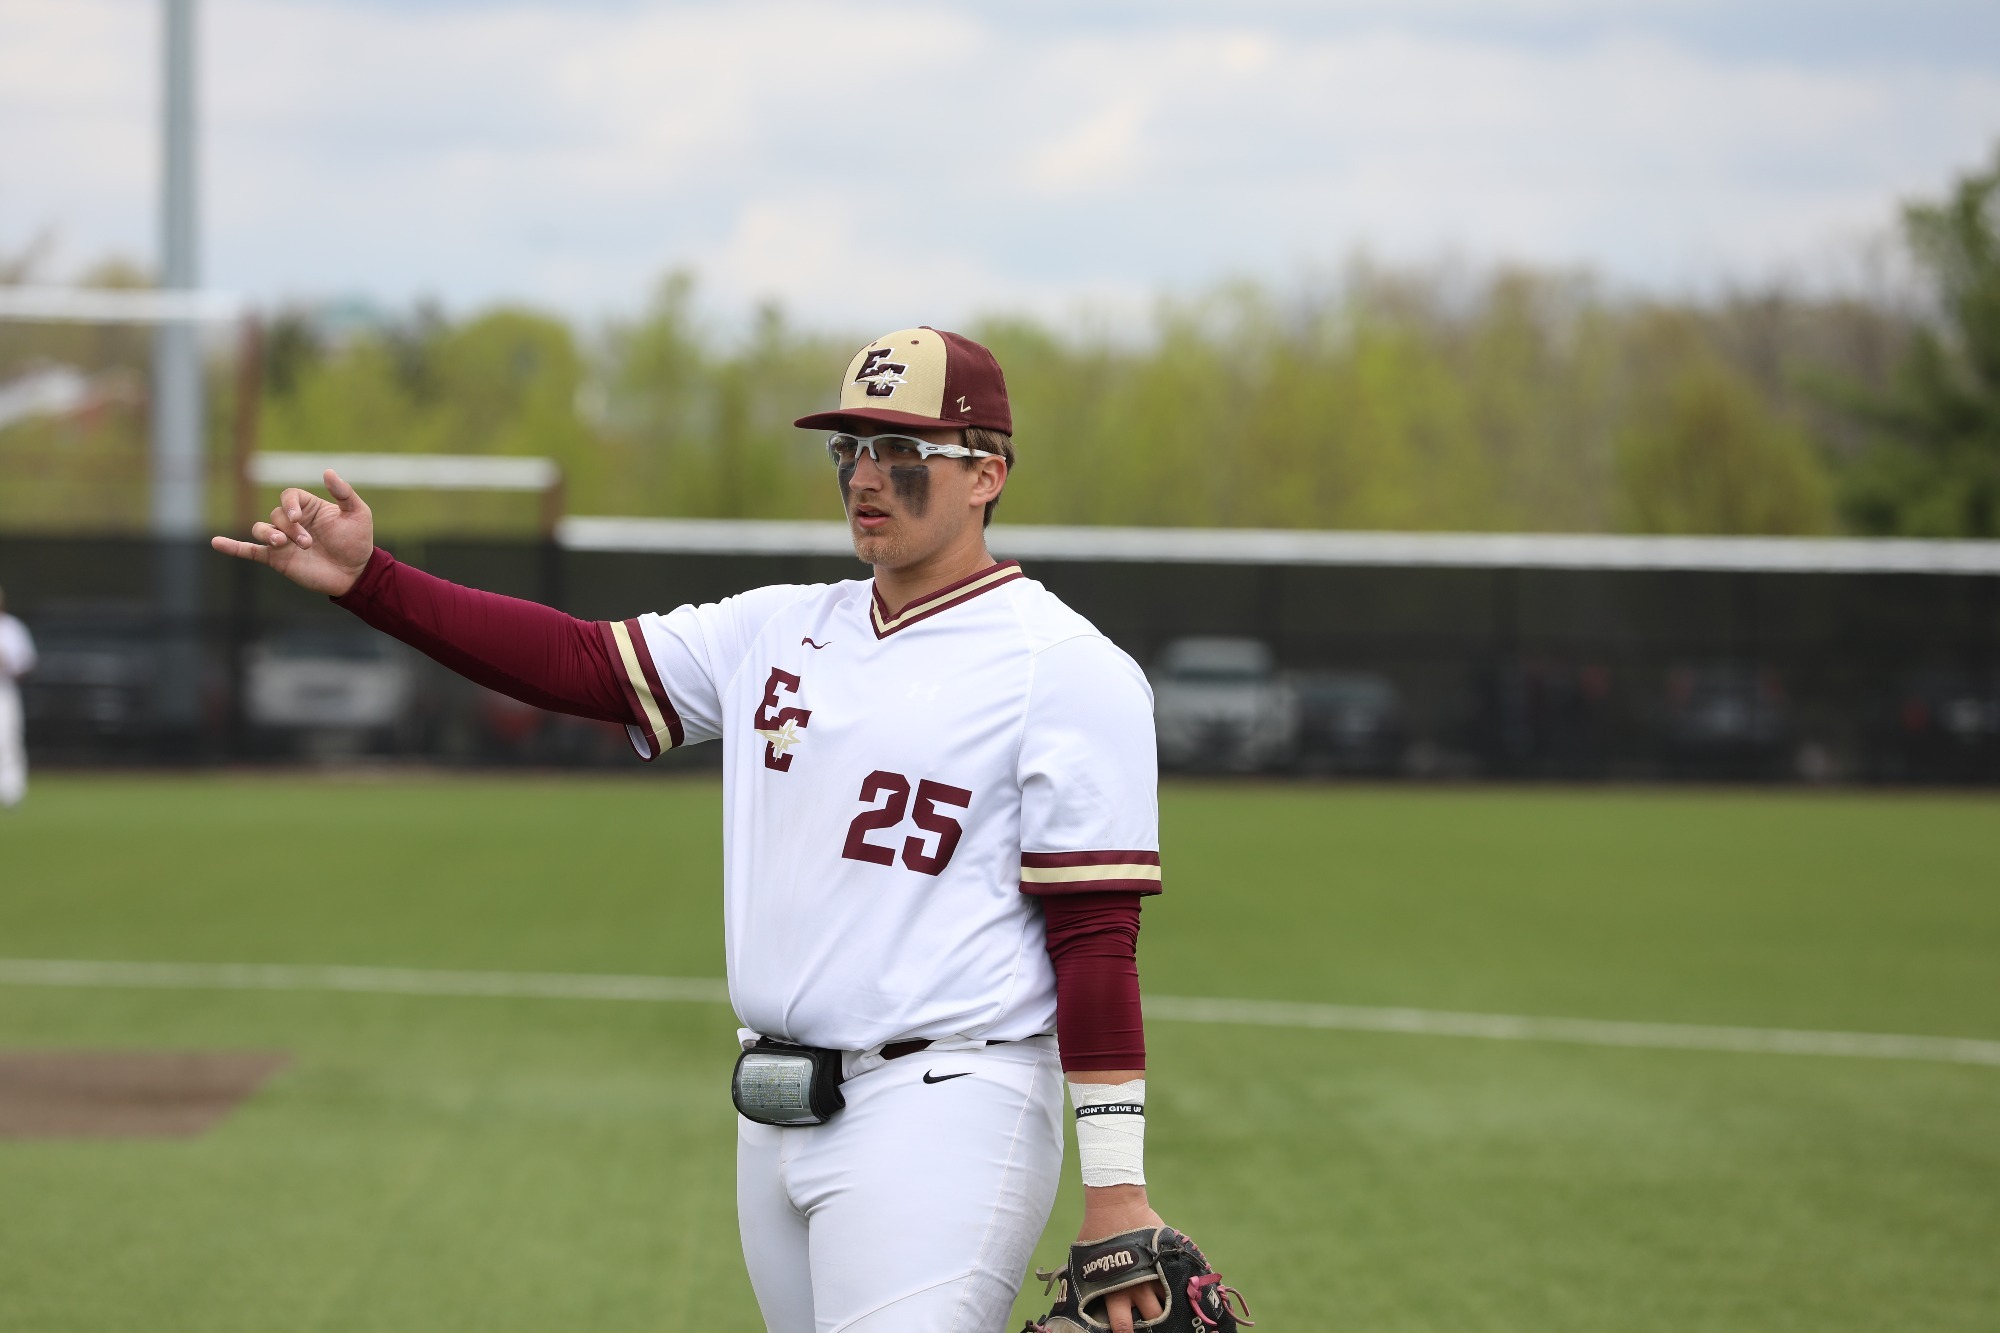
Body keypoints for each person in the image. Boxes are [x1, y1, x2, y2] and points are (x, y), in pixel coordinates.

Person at [213, 328, 1174, 1333]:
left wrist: (1115, 1188)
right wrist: (371, 581)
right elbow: (580, 661)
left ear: (985, 474)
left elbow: (1095, 935)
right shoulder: (777, 628)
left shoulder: (1064, 667)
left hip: (950, 1103)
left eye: (902, 452)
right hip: (776, 1109)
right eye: (848, 448)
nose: (864, 477)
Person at [0, 583, 37, 809]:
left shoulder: (12, 628)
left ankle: (11, 792)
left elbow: (27, 664)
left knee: (8, 739)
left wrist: (7, 664)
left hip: (4, 689)